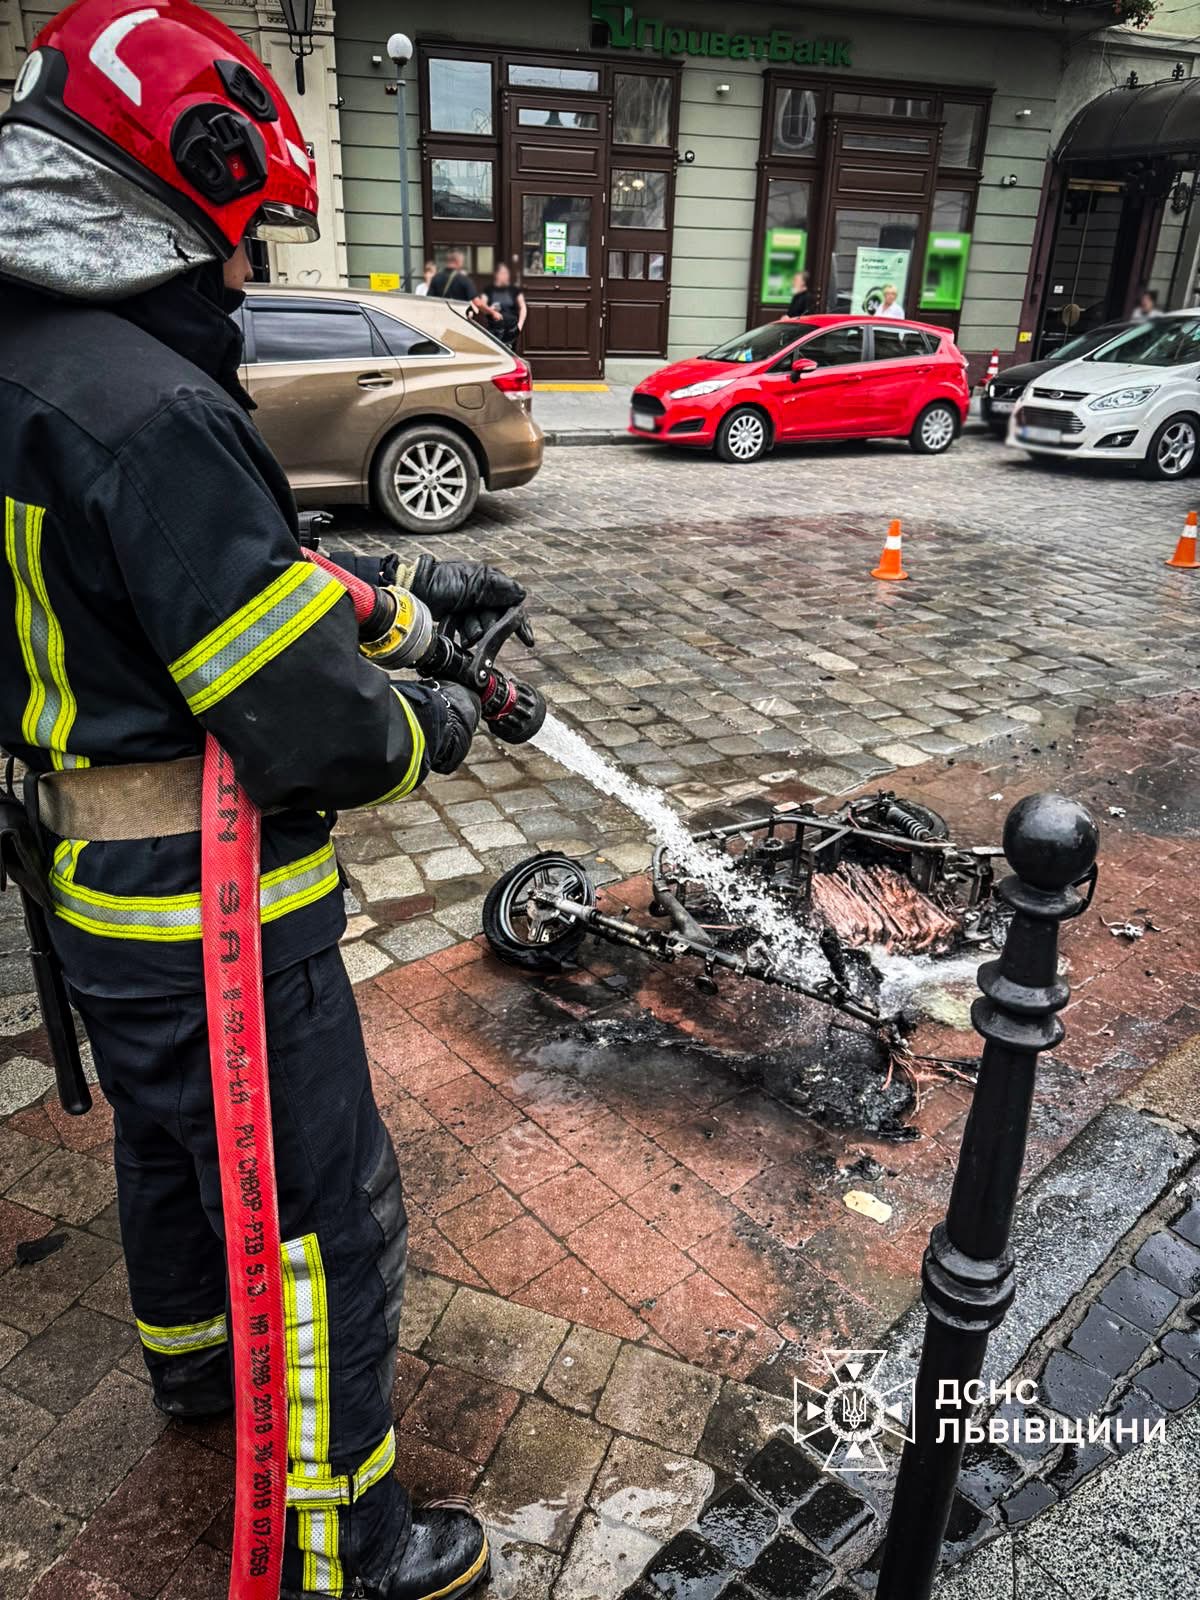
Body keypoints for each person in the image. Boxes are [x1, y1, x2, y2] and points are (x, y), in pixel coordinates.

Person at [0, 4, 507, 1596]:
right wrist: (439, 718)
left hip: (87, 891)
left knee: (165, 1154)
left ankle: (191, 1374)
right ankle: (347, 1533)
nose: (242, 274)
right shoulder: (151, 408)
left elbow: (177, 592)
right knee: (323, 1216)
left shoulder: (33, 366)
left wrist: (398, 589)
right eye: (242, 238)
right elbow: (309, 726)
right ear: (175, 190)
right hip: (216, 906)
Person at [475, 261, 526, 347]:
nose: (504, 276)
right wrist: (490, 309)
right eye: (502, 273)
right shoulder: (489, 290)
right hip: (495, 330)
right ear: (496, 274)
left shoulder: (514, 289)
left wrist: (520, 325)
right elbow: (482, 305)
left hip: (512, 329)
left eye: (506, 273)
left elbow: (523, 307)